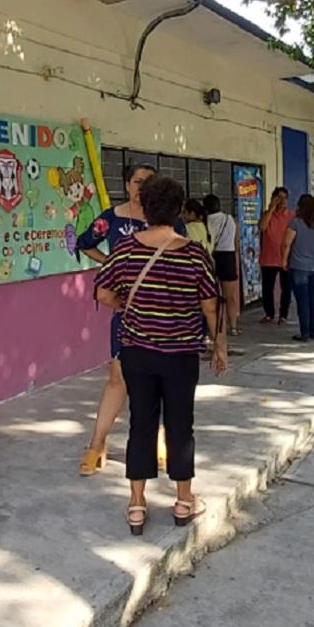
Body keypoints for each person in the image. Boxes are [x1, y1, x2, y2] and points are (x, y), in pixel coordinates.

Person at [94, 176, 228, 534]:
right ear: (178, 209)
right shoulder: (194, 253)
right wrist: (219, 345)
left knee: (141, 423)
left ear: (146, 208)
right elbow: (211, 306)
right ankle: (184, 500)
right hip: (181, 354)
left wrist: (127, 305)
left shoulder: (125, 248)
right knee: (181, 425)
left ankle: (137, 505)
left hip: (137, 352)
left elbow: (103, 294)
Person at [75, 163, 179, 477]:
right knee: (117, 377)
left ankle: (160, 443)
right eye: (137, 181)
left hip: (162, 312)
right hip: (125, 311)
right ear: (127, 184)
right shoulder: (111, 219)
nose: (142, 187)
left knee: (160, 380)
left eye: (149, 182)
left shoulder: (167, 222)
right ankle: (97, 444)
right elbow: (84, 242)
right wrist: (112, 263)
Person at [282, 194, 314, 342]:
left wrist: (284, 260)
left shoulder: (295, 223)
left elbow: (287, 243)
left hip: (299, 266)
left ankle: (304, 333)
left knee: (303, 301)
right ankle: (312, 331)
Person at [203, 194, 241, 336]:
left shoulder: (206, 221)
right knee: (229, 296)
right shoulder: (230, 219)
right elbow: (236, 242)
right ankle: (233, 327)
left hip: (212, 257)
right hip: (228, 257)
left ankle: (215, 328)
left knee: (211, 295)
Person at [259, 187, 294, 325]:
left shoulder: (291, 215)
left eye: (285, 198)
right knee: (267, 288)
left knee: (287, 288)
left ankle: (283, 315)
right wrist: (271, 208)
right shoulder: (267, 214)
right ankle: (269, 313)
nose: (282, 201)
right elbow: (262, 227)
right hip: (268, 257)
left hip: (285, 257)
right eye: (279, 197)